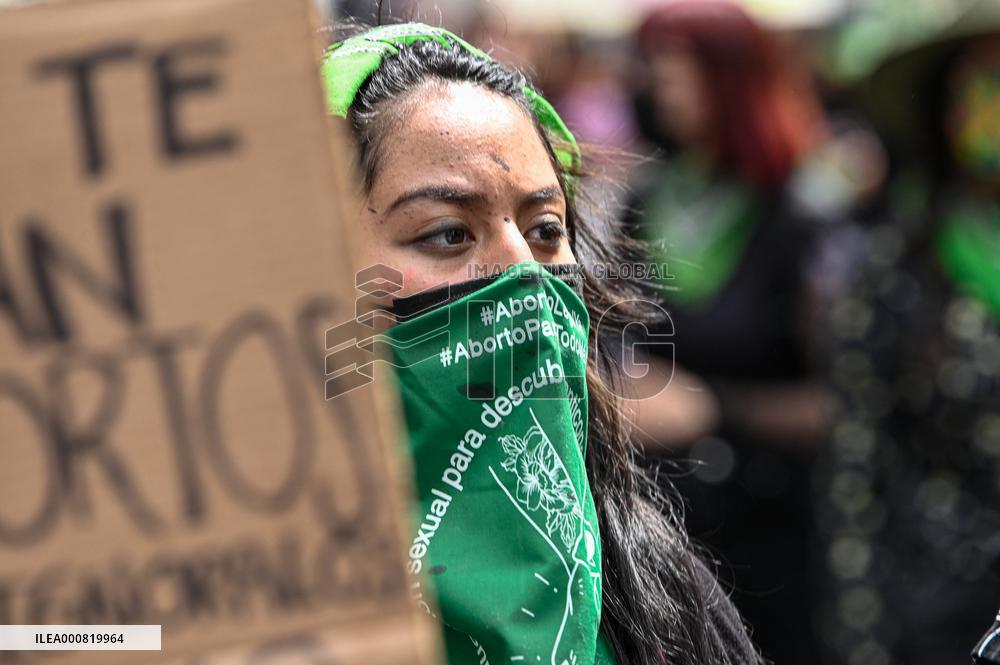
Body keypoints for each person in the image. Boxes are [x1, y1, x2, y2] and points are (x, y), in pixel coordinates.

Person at [319, 21, 760, 665]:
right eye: (447, 234)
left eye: (546, 229)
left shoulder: (658, 599)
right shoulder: (178, 608)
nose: (524, 275)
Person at [623, 3, 832, 664]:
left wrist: (714, 406)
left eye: (679, 65)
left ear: (732, 77)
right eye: (655, 64)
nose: (662, 83)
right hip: (667, 525)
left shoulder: (802, 210)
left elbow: (845, 402)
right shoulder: (648, 198)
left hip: (781, 537)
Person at [814, 20, 1000, 665]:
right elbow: (855, 475)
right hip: (938, 614)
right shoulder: (897, 271)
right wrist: (864, 639)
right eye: (985, 86)